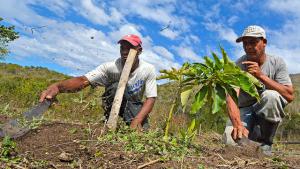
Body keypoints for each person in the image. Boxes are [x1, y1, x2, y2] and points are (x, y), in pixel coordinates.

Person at [39, 34, 157, 130]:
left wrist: (137, 121)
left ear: (139, 50)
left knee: (142, 134)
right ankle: (109, 123)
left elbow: (151, 99)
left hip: (133, 105)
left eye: (130, 48)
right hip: (113, 102)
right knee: (116, 87)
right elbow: (83, 80)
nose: (125, 52)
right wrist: (58, 87)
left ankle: (132, 124)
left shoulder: (147, 69)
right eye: (122, 48)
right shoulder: (110, 67)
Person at [224, 25, 294, 154]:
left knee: (270, 96)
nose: (248, 47)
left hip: (265, 107)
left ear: (264, 42)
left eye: (253, 42)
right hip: (244, 109)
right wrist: (237, 124)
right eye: (245, 43)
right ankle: (253, 136)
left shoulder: (277, 62)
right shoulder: (237, 66)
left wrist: (261, 75)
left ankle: (266, 143)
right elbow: (231, 96)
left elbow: (289, 96)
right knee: (230, 139)